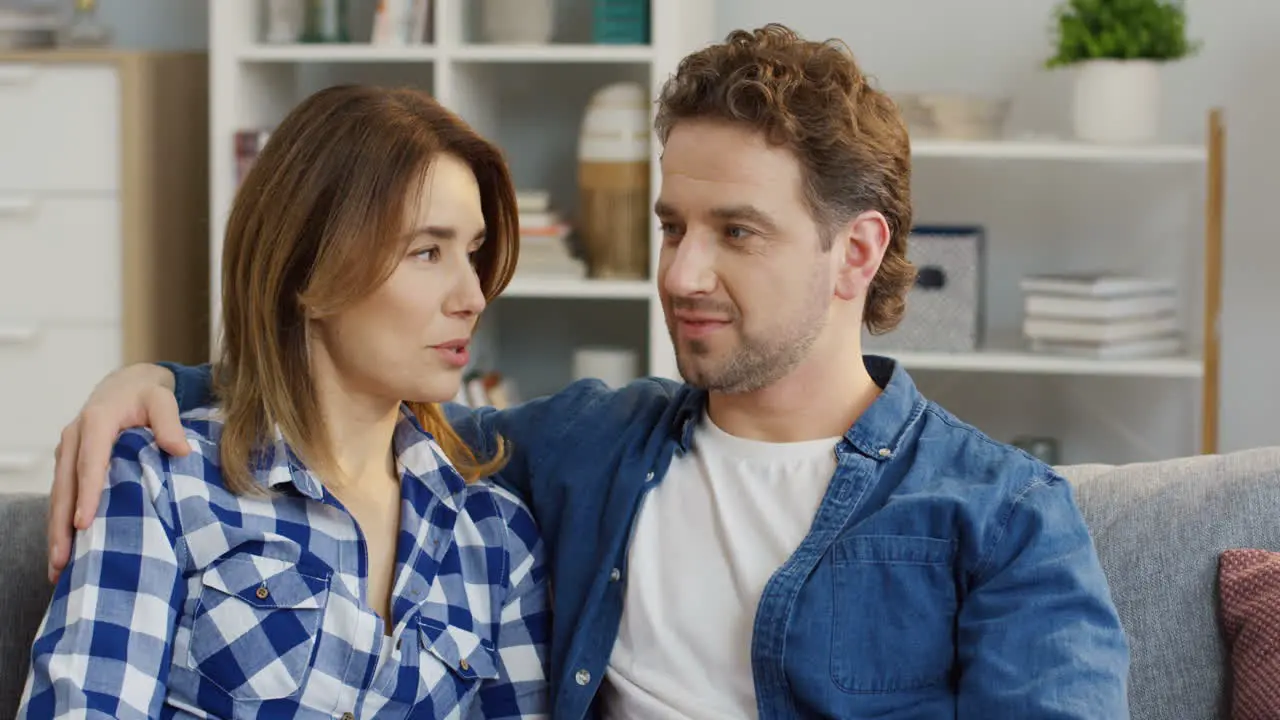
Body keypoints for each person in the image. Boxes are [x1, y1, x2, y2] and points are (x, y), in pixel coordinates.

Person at [44, 24, 1129, 719]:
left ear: (856, 252)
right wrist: (153, 383)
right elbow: (336, 393)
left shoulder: (1003, 518)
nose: (680, 273)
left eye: (736, 233)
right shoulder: (582, 450)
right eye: (670, 225)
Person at [22, 85, 549, 718]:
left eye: (472, 252)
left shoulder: (495, 538)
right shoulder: (163, 483)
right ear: (308, 269)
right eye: (427, 252)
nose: (472, 295)